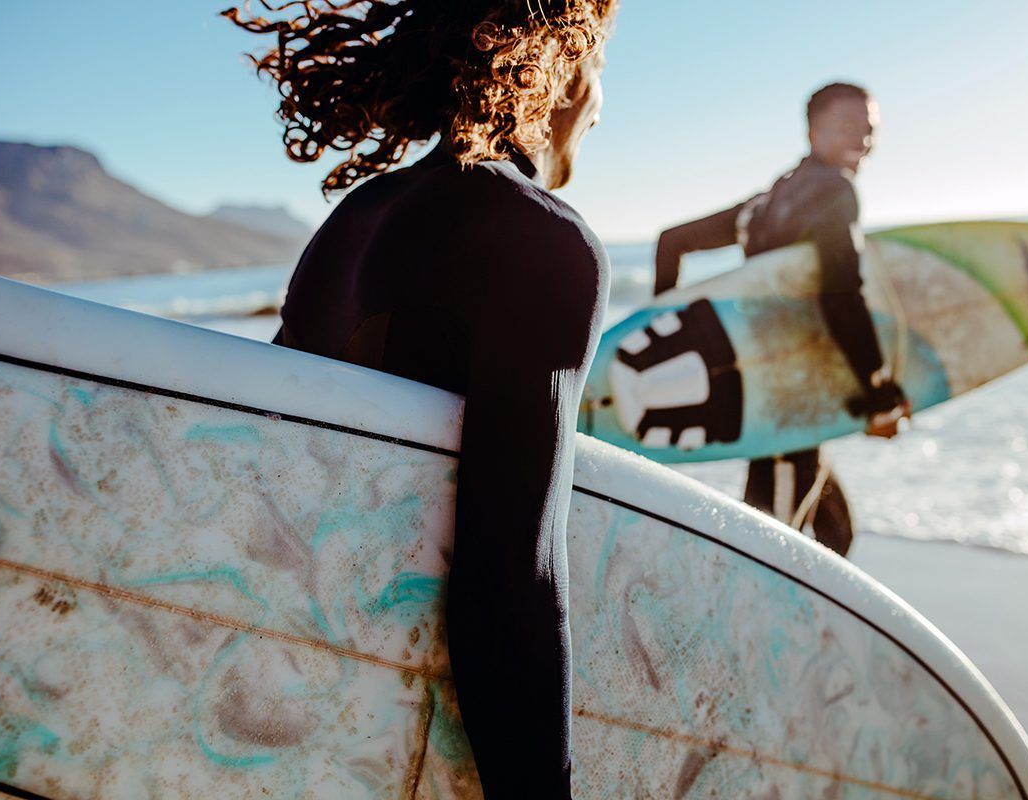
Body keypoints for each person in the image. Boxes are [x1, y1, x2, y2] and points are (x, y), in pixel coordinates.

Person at [224, 2, 619, 797]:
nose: (602, 98)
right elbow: (513, 571)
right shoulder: (543, 240)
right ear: (565, 64)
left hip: (272, 711)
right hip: (392, 745)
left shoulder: (354, 220)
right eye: (602, 65)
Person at [653, 83, 908, 557]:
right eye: (848, 127)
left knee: (836, 535)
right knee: (766, 556)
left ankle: (806, 629)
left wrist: (662, 335)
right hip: (791, 402)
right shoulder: (835, 190)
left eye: (870, 130)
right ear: (814, 130)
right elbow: (840, 298)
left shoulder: (767, 201)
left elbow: (671, 242)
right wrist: (878, 391)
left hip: (768, 388)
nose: (863, 139)